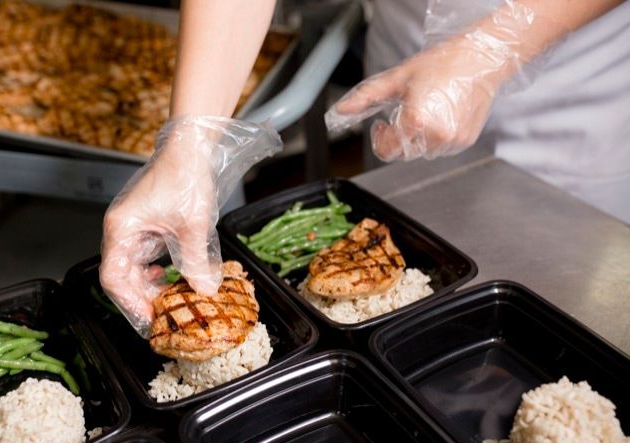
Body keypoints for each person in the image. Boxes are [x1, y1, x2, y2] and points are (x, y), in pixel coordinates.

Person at [100, 0, 629, 335]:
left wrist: (492, 50)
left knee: (562, 324)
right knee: (408, 304)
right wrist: (187, 144)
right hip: (406, 47)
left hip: (573, 83)